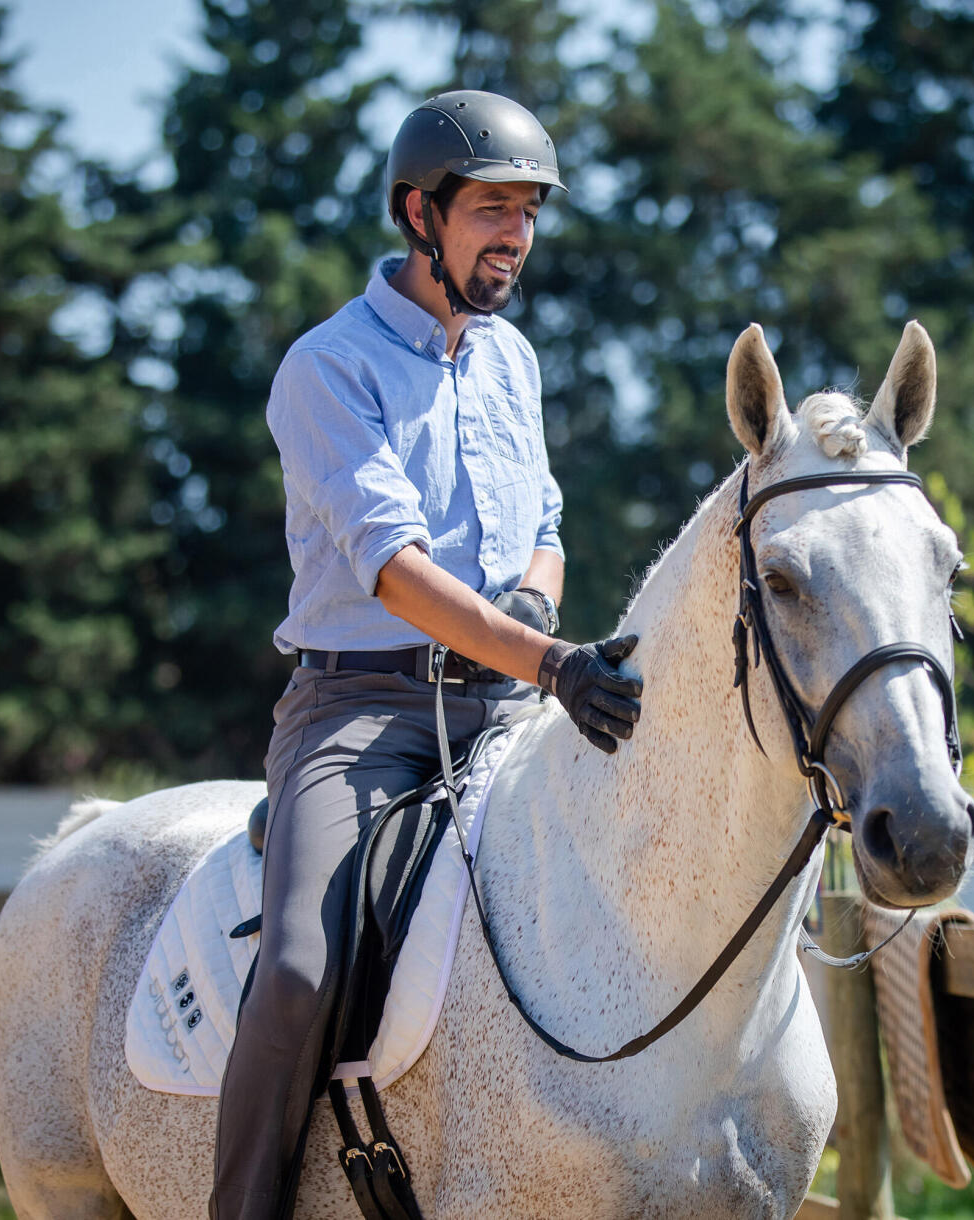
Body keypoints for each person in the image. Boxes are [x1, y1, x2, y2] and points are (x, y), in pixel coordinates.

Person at [208, 90, 644, 1220]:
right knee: (303, 959)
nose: (516, 235)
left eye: (529, 213)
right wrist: (551, 660)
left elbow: (545, 526)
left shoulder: (511, 359)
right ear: (420, 211)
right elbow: (393, 571)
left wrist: (533, 629)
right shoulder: (326, 368)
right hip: (361, 712)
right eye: (492, 209)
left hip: (503, 702)